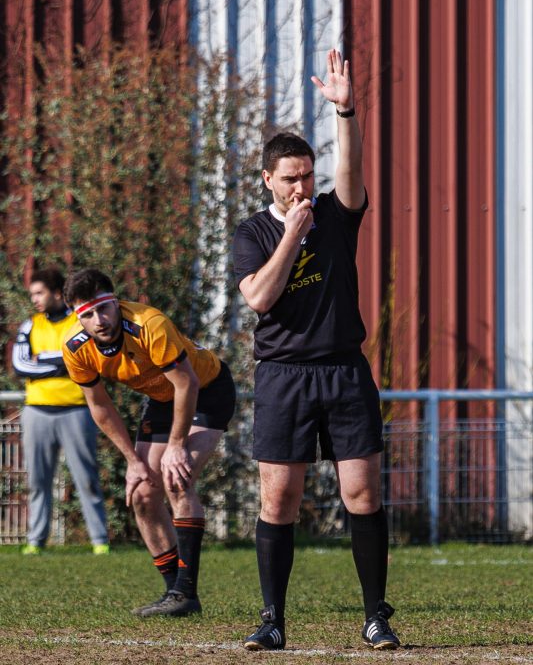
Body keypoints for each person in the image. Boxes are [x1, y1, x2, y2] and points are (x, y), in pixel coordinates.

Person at [232, 49, 400, 651]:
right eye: (291, 178)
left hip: (344, 371)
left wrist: (346, 111)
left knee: (363, 493)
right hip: (283, 376)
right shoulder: (253, 232)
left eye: (308, 174)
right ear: (268, 181)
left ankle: (376, 614)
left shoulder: (334, 213)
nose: (304, 186)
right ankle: (273, 619)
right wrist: (290, 237)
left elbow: (352, 175)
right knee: (280, 497)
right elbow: (259, 298)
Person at [61, 268, 236, 617]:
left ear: (117, 302)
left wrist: (176, 446)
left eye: (104, 308)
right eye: (88, 314)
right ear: (76, 317)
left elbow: (187, 383)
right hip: (161, 399)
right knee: (142, 492)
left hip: (207, 390)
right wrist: (133, 461)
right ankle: (175, 593)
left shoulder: (148, 324)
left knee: (176, 479)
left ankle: (186, 592)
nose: (99, 320)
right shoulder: (75, 347)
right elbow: (100, 406)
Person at [12, 267, 109, 555]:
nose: (35, 300)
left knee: (86, 477)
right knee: (38, 480)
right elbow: (20, 365)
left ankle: (100, 541)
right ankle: (36, 541)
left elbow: (87, 358)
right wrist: (62, 362)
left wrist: (44, 360)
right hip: (37, 411)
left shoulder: (80, 322)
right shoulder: (30, 326)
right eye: (32, 295)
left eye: (40, 293)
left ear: (57, 293)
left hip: (76, 410)